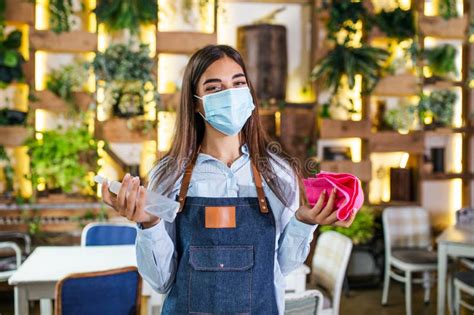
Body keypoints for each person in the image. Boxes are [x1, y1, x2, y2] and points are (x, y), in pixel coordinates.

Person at [101, 44, 355, 314]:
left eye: (238, 83)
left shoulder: (278, 173)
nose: (230, 95)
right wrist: (149, 224)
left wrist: (304, 222)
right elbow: (162, 282)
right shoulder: (169, 174)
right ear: (195, 101)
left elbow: (283, 266)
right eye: (214, 88)